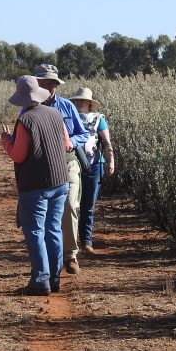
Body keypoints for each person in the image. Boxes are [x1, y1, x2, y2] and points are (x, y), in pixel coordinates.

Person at [1, 75, 72, 296]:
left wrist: (6, 140)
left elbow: (18, 155)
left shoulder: (26, 120)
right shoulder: (55, 113)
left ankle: (41, 280)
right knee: (53, 229)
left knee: (35, 231)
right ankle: (54, 277)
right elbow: (67, 144)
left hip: (35, 184)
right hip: (60, 180)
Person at [31, 64, 90, 276]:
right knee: (43, 212)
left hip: (67, 162)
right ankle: (48, 258)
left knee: (70, 205)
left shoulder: (66, 106)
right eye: (44, 83)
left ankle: (70, 255)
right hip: (41, 166)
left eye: (52, 83)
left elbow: (83, 134)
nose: (48, 87)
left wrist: (71, 142)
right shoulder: (28, 108)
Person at [68, 87, 115, 253]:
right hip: (73, 164)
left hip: (94, 165)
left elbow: (107, 142)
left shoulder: (99, 119)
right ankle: (71, 243)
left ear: (90, 103)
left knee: (88, 205)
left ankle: (86, 241)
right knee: (71, 205)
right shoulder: (70, 118)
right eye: (77, 100)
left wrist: (111, 162)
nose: (79, 103)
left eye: (83, 100)